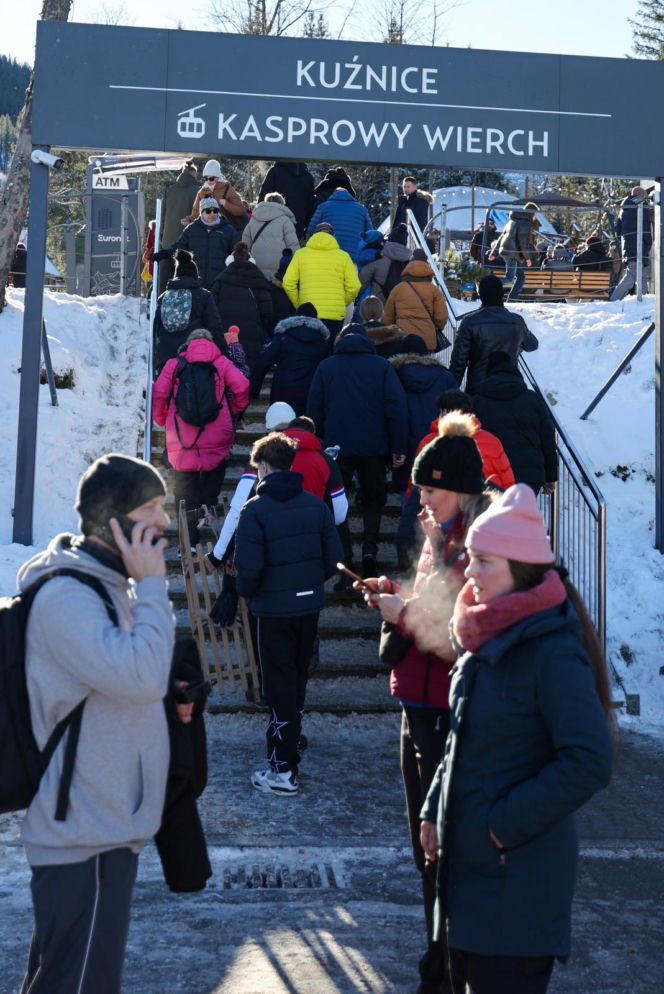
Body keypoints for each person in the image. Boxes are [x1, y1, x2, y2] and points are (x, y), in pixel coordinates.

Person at [419, 483, 614, 994]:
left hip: (517, 891)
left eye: (485, 561)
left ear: (521, 570)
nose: (471, 571)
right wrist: (434, 809)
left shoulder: (551, 651)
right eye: (470, 557)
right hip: (473, 887)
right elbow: (463, 735)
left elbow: (590, 760)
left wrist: (498, 828)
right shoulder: (484, 635)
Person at [17, 452, 175, 994]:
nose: (165, 521)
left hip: (104, 829)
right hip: (82, 834)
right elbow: (140, 675)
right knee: (79, 985)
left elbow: (131, 684)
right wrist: (154, 589)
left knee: (65, 979)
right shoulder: (67, 595)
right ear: (116, 520)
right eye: (152, 508)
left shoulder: (113, 587)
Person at [360, 414, 493, 994]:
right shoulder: (441, 533)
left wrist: (405, 615)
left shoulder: (480, 543)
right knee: (426, 849)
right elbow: (431, 603)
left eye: (431, 490)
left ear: (459, 487)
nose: (422, 500)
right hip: (418, 704)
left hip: (445, 708)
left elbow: (459, 630)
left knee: (444, 849)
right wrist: (397, 597)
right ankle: (437, 961)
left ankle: (449, 970)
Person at [234, 432, 342, 795]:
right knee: (296, 681)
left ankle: (282, 770)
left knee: (278, 684)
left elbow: (246, 570)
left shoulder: (255, 510)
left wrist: (250, 593)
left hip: (272, 610)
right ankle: (288, 744)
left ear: (262, 466)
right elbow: (332, 560)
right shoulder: (316, 506)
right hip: (308, 606)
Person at [307, 327, 408, 579]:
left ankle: (345, 556)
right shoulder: (382, 367)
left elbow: (314, 409)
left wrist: (317, 444)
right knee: (374, 498)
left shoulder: (326, 366)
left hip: (335, 447)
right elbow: (396, 407)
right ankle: (370, 549)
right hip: (373, 446)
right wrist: (398, 447)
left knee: (336, 501)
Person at [152, 329, 250, 513]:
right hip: (217, 429)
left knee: (184, 483)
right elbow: (243, 385)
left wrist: (162, 419)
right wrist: (233, 410)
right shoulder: (222, 362)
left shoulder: (174, 364)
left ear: (188, 344)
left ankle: (188, 531)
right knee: (214, 469)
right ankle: (209, 510)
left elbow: (159, 392)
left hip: (182, 434)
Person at [471, 350, 557, 496]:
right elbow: (548, 439)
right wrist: (550, 476)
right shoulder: (533, 399)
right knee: (520, 517)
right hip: (529, 476)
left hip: (491, 474)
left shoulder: (477, 401)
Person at [449, 274, 538, 395]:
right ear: (502, 294)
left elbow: (458, 362)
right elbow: (532, 345)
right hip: (510, 388)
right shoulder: (516, 321)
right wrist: (518, 346)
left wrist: (451, 391)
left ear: (480, 295)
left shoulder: (470, 322)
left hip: (478, 390)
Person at [389, 341, 457, 495]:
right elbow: (458, 408)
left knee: (406, 489)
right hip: (438, 439)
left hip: (405, 441)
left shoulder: (393, 375)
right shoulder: (444, 375)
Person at [282, 225, 361, 343]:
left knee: (308, 351)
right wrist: (342, 302)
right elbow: (354, 287)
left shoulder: (300, 254)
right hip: (335, 313)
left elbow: (288, 283)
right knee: (330, 351)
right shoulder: (344, 256)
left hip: (308, 313)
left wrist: (299, 304)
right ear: (333, 236)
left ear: (313, 235)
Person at [249, 302, 331, 415]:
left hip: (283, 390)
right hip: (310, 391)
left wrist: (254, 389)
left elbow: (264, 360)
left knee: (281, 427)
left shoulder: (283, 337)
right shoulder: (322, 342)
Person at [153, 249, 225, 370]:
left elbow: (156, 327)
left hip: (166, 357)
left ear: (176, 274)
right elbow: (215, 326)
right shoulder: (204, 296)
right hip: (194, 356)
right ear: (195, 275)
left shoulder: (163, 297)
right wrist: (223, 352)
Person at [211, 241, 274, 371]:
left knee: (226, 373)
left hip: (226, 335)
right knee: (248, 374)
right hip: (253, 337)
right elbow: (267, 314)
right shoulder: (259, 282)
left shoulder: (221, 281)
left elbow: (212, 311)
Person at [154, 197, 240, 291]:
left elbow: (237, 251)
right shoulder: (192, 229)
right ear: (201, 212)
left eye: (215, 211)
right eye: (208, 211)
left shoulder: (228, 230)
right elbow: (179, 247)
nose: (212, 214)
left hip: (219, 282)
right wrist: (163, 254)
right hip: (196, 282)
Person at [383, 250, 448, 352]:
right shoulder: (434, 290)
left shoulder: (398, 289)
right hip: (427, 341)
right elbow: (441, 317)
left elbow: (388, 318)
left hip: (402, 339)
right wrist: (437, 327)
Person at [158, 159, 200, 292]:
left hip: (167, 242)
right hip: (187, 244)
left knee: (164, 281)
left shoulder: (169, 190)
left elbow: (162, 215)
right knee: (185, 282)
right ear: (194, 175)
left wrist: (161, 237)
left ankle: (160, 306)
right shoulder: (197, 191)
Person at [242, 192, 300, 280]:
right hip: (280, 263)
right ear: (281, 204)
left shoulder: (253, 219)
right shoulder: (285, 220)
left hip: (257, 262)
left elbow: (245, 243)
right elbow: (292, 245)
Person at [307, 188, 373, 264]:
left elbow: (312, 229)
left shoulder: (323, 207)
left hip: (328, 254)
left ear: (333, 195)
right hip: (353, 255)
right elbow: (369, 234)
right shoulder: (362, 209)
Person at [610, 185, 653, 300]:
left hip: (628, 247)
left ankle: (644, 299)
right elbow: (646, 229)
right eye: (645, 196)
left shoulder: (624, 208)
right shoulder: (641, 206)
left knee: (641, 275)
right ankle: (614, 299)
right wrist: (649, 243)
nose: (646, 198)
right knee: (632, 275)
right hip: (639, 247)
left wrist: (625, 242)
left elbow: (617, 231)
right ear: (641, 195)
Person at [490, 201, 539, 301]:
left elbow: (501, 237)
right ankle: (486, 283)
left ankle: (512, 299)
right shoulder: (525, 223)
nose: (535, 217)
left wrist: (494, 253)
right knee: (509, 279)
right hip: (511, 254)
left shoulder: (513, 220)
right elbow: (523, 243)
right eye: (536, 214)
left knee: (520, 277)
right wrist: (528, 258)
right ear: (532, 213)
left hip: (508, 252)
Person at [258, 160, 316, 240]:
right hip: (298, 226)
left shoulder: (275, 172)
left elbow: (263, 198)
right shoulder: (308, 177)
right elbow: (311, 204)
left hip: (274, 224)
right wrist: (307, 227)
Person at [184, 159, 246, 231]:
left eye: (211, 178)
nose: (208, 181)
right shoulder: (202, 192)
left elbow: (241, 210)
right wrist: (189, 219)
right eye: (206, 178)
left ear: (218, 177)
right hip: (208, 231)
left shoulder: (227, 189)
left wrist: (226, 204)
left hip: (226, 231)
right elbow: (196, 212)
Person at [359, 229, 413, 305]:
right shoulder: (411, 265)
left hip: (378, 308)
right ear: (405, 243)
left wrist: (357, 296)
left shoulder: (377, 259)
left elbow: (362, 280)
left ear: (390, 240)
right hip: (400, 309)